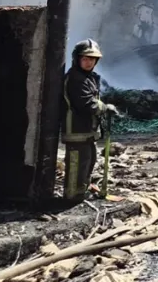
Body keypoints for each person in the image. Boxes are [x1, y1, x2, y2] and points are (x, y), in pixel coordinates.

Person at [61, 39, 118, 202]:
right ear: (77, 59)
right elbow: (86, 103)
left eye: (92, 59)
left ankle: (81, 191)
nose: (88, 62)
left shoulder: (88, 77)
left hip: (87, 130)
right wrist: (105, 107)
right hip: (76, 129)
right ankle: (71, 196)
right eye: (85, 59)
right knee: (76, 163)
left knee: (88, 160)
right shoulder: (75, 78)